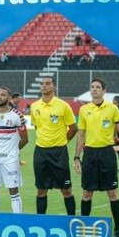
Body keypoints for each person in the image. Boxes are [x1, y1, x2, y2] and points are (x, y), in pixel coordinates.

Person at [74, 78, 119, 237]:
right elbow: (81, 135)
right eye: (92, 87)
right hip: (89, 154)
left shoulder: (112, 109)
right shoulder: (84, 110)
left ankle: (117, 230)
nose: (94, 89)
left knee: (112, 193)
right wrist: (77, 157)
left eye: (98, 87)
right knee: (86, 193)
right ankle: (83, 230)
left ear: (104, 91)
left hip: (107, 154)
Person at [30, 76, 77, 215]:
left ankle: (71, 221)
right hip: (40, 152)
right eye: (42, 84)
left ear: (54, 87)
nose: (44, 86)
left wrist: (62, 142)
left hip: (59, 152)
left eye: (48, 83)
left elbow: (74, 128)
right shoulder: (34, 106)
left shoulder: (63, 106)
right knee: (41, 190)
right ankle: (41, 223)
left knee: (66, 189)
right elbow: (37, 127)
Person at [0, 87, 28, 213]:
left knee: (13, 190)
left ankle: (18, 219)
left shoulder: (17, 116)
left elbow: (25, 139)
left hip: (10, 159)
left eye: (3, 95)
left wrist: (14, 151)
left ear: (9, 98)